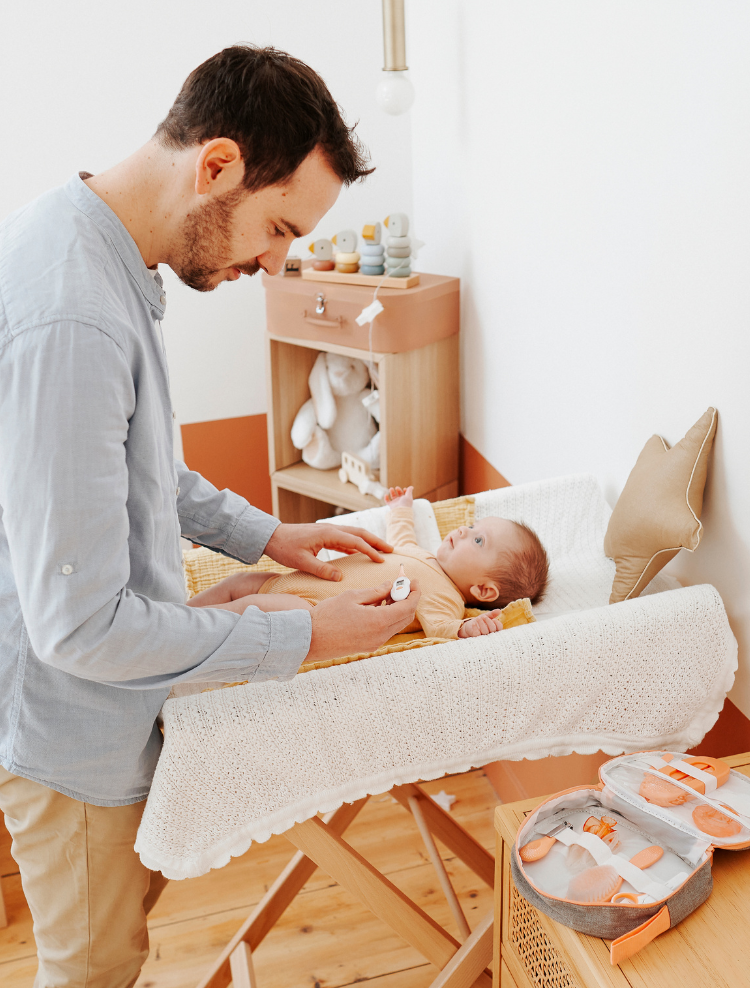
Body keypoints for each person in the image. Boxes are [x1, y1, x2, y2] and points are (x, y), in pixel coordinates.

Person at [0, 45, 420, 987]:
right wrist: (302, 635)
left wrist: (270, 535)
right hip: (73, 734)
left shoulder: (97, 253)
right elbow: (80, 626)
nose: (276, 263)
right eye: (276, 228)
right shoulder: (77, 315)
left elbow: (138, 468)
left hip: (107, 706)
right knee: (95, 970)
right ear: (217, 165)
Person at [189, 486, 550, 640]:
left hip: (312, 608)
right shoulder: (420, 554)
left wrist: (465, 629)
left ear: (484, 589)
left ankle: (189, 637)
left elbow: (441, 627)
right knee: (238, 583)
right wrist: (401, 509)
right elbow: (401, 536)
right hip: (297, 579)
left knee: (250, 606)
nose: (462, 529)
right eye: (472, 525)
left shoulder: (444, 599)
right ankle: (179, 616)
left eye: (477, 539)